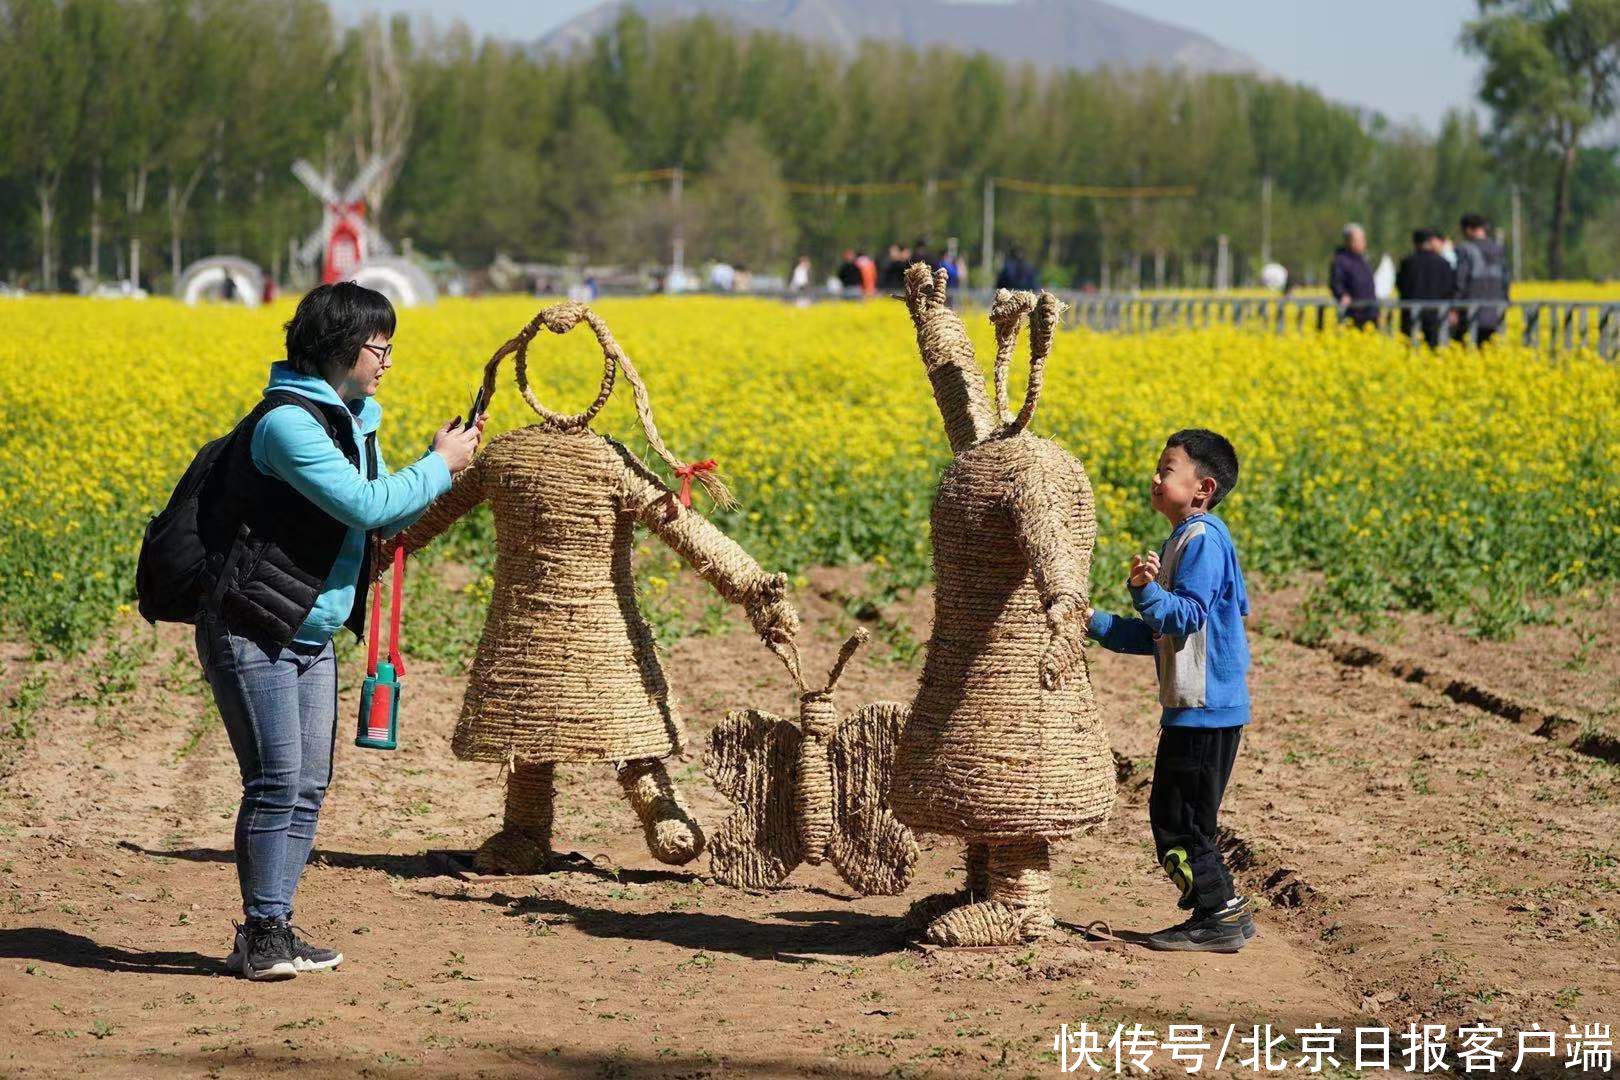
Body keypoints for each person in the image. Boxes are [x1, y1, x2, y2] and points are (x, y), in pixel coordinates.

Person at [197, 282, 483, 980]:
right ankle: (263, 933)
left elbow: (382, 519)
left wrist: (430, 465)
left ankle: (274, 928)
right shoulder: (287, 425)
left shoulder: (353, 416)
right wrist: (438, 466)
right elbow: (362, 503)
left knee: (308, 786)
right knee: (275, 780)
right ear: (340, 347)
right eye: (378, 347)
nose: (386, 360)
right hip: (254, 625)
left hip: (310, 628)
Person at [1086, 429, 1255, 952]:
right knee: (1187, 816)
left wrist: (1144, 591)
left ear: (1202, 487)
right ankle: (1225, 910)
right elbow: (1160, 636)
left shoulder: (1202, 539)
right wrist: (1093, 622)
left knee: (1177, 820)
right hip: (1199, 709)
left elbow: (1184, 617)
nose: (1155, 478)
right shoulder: (1185, 540)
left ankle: (1218, 915)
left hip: (1204, 710)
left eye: (1167, 469)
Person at [1395, 227, 1456, 349]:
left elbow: (1400, 286)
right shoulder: (1443, 263)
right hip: (1436, 317)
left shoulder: (1407, 262)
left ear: (1415, 243)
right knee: (1435, 351)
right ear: (1430, 242)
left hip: (1411, 315)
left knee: (1412, 352)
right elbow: (1450, 290)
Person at [1454, 213, 1510, 344]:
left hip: (1470, 310)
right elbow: (1506, 279)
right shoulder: (1499, 249)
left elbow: (1460, 281)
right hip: (1495, 310)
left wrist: (1455, 306)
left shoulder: (1465, 249)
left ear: (1468, 229)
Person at [1328, 223, 1377, 329]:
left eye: (1363, 239)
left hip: (1369, 312)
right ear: (1349, 241)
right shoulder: (1340, 261)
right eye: (1360, 240)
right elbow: (1336, 282)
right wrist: (1342, 294)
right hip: (1353, 314)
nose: (1364, 243)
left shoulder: (1364, 260)